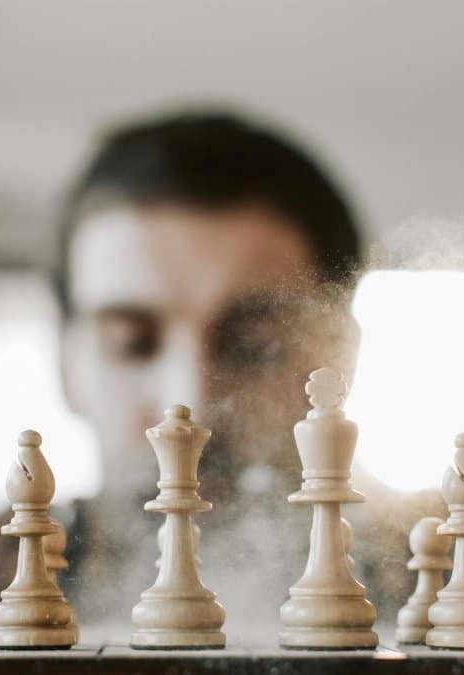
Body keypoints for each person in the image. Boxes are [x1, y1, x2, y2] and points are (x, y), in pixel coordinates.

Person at [50, 110, 368, 625]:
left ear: (340, 362)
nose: (191, 406)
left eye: (255, 346)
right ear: (64, 365)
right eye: (131, 343)